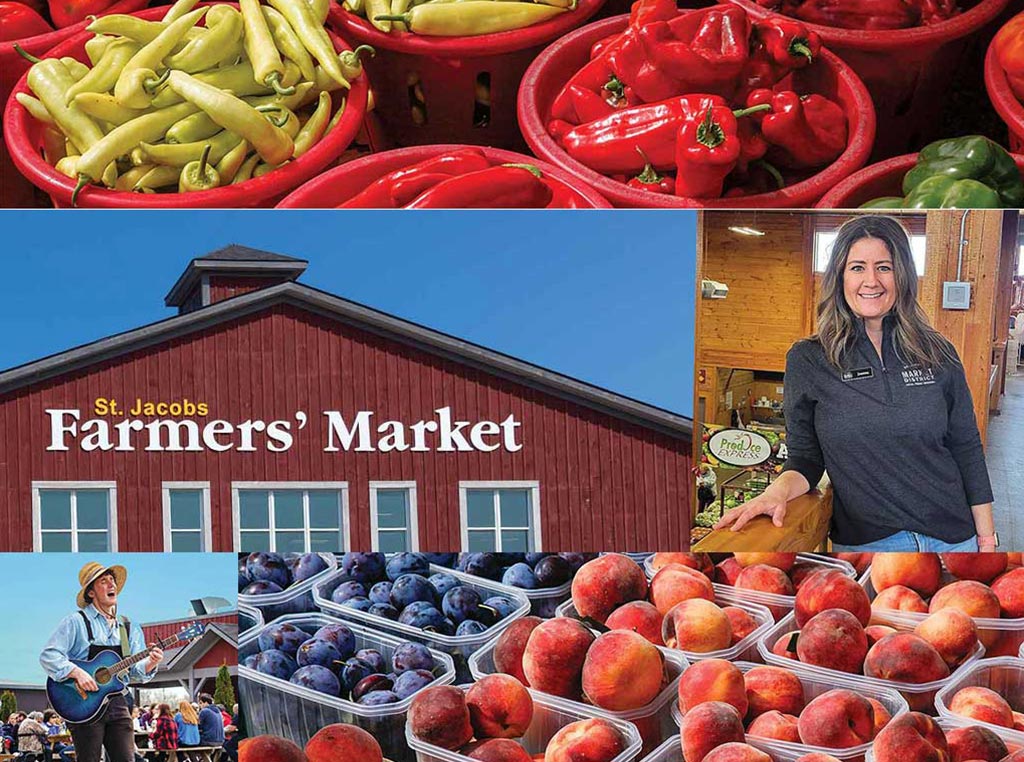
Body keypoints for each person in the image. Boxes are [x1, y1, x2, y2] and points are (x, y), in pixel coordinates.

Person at [715, 215, 997, 552]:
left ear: (903, 275)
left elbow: (966, 447)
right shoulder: (809, 359)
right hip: (871, 545)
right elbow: (805, 458)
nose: (871, 281)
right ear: (840, 277)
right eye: (857, 267)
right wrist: (775, 492)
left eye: (885, 267)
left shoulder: (938, 352)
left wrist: (986, 538)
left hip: (954, 538)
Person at [39, 563, 164, 762]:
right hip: (83, 704)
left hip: (118, 702)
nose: (110, 585)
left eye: (112, 580)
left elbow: (134, 672)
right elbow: (49, 655)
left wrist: (151, 662)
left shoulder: (128, 626)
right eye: (103, 581)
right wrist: (77, 673)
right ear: (90, 593)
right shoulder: (75, 621)